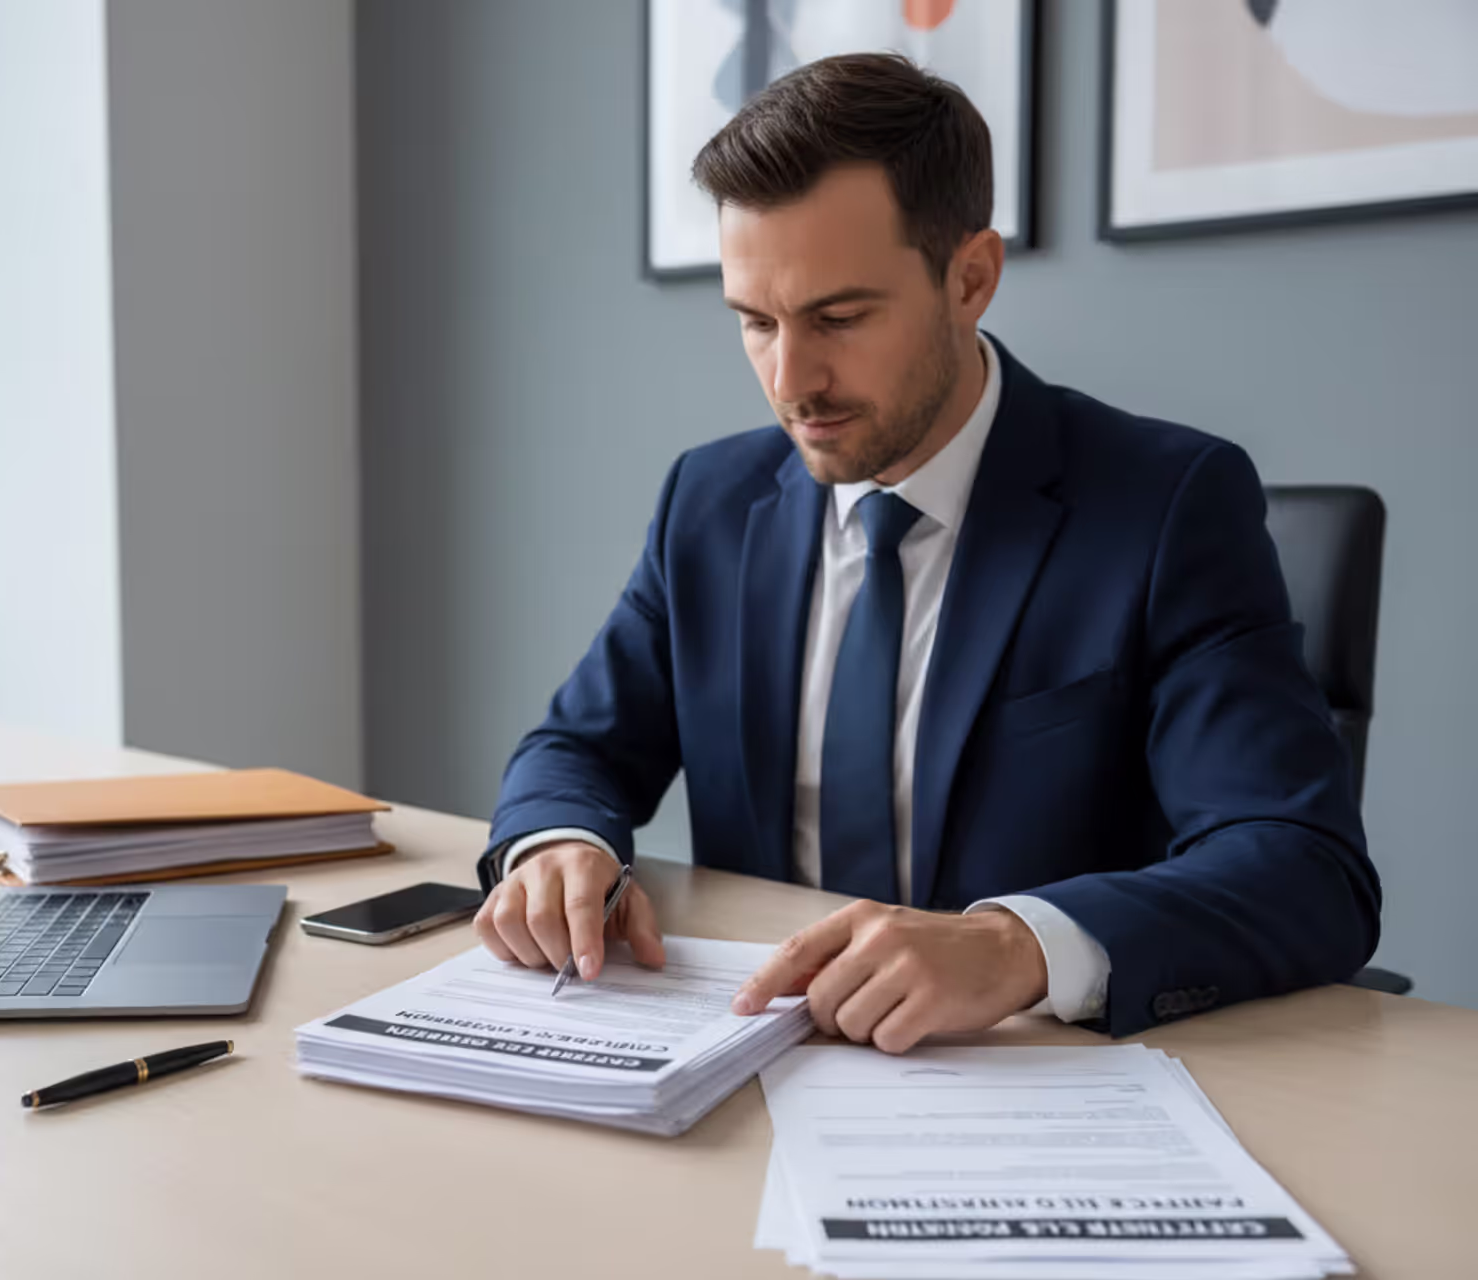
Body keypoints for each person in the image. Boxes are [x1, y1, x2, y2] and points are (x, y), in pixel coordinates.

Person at [472, 53, 1379, 1050]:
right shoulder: (711, 502)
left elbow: (1304, 867)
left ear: (971, 277)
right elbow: (578, 748)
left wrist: (1015, 945)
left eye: (840, 317)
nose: (792, 379)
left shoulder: (1166, 506)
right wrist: (559, 845)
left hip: (1030, 1069)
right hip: (750, 1054)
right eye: (756, 322)